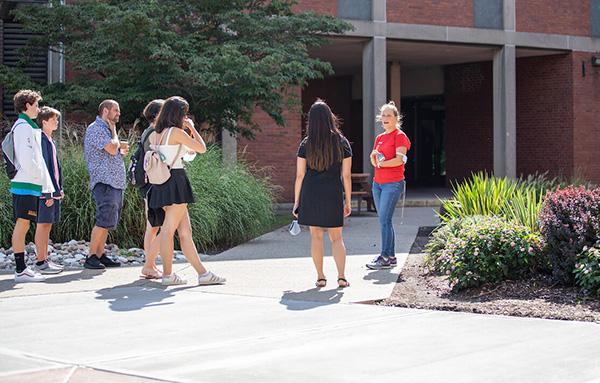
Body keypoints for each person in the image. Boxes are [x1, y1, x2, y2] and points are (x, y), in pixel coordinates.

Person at [146, 96, 225, 286]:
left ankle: (203, 273)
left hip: (161, 182)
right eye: (184, 113)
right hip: (176, 180)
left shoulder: (154, 133)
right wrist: (191, 128)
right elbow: (202, 148)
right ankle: (168, 275)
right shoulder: (175, 132)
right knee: (168, 230)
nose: (186, 116)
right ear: (178, 113)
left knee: (185, 231)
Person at [293, 100, 353, 288]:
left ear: (311, 120)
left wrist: (297, 201)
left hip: (311, 194)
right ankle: (342, 277)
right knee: (337, 238)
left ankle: (320, 277)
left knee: (316, 237)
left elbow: (300, 175)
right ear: (330, 118)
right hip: (332, 193)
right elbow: (346, 175)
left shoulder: (306, 143)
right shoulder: (341, 142)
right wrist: (348, 201)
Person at [9, 90, 55, 282]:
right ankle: (21, 270)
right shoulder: (22, 127)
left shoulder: (27, 126)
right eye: (36, 105)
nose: (38, 109)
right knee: (22, 224)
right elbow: (27, 159)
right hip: (25, 182)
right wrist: (39, 176)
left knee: (24, 224)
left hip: (29, 182)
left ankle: (22, 269)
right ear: (27, 105)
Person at [83, 100, 128, 269]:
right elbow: (110, 148)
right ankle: (91, 256)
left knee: (108, 221)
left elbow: (112, 151)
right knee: (103, 220)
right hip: (105, 182)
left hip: (114, 183)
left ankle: (101, 254)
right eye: (116, 110)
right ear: (105, 111)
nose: (118, 113)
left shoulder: (105, 129)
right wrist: (115, 133)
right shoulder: (96, 128)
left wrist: (119, 150)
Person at [366, 101, 411, 270]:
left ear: (396, 118)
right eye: (383, 115)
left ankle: (384, 257)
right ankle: (391, 257)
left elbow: (399, 160)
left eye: (388, 115)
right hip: (378, 183)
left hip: (392, 184)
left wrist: (380, 164)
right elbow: (374, 157)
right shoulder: (380, 137)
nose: (385, 118)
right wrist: (374, 159)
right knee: (385, 220)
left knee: (384, 220)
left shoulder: (399, 136)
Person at [33, 107, 65, 275]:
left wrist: (60, 188)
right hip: (46, 191)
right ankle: (40, 261)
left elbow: (55, 168)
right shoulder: (41, 140)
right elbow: (44, 168)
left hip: (53, 190)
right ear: (44, 122)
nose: (56, 122)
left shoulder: (49, 140)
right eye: (54, 120)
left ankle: (44, 258)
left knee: (48, 225)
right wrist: (49, 192)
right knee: (42, 224)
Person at [138, 99, 164, 279]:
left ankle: (151, 264)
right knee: (153, 226)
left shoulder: (148, 131)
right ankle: (150, 265)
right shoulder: (153, 132)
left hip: (149, 183)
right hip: (152, 184)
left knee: (153, 225)